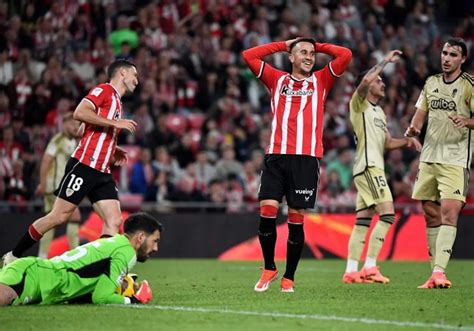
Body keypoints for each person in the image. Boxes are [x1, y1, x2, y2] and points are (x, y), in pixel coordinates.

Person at [2, 59, 139, 265]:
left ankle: (101, 271)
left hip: (102, 170)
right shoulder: (104, 90)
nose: (137, 80)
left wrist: (112, 148)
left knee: (114, 220)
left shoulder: (118, 102)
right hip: (84, 166)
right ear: (122, 73)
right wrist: (114, 123)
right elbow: (80, 113)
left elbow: (85, 129)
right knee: (58, 216)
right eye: (134, 75)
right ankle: (13, 255)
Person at [242, 37, 352, 292]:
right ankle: (270, 267)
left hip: (306, 159)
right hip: (276, 156)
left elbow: (345, 54)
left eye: (312, 53)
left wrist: (319, 45)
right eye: (302, 52)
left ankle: (289, 276)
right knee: (267, 211)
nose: (309, 56)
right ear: (291, 57)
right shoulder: (276, 79)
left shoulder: (321, 81)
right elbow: (249, 55)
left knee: (296, 218)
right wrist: (284, 44)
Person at [342, 50, 422, 284]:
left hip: (370, 167)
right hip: (369, 168)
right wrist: (385, 61)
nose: (382, 82)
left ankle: (351, 271)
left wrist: (407, 141)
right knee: (387, 214)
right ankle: (369, 266)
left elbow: (387, 143)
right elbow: (366, 79)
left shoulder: (379, 112)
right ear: (366, 86)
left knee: (363, 221)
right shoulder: (358, 105)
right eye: (378, 80)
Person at [405, 38, 473, 289]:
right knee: (430, 214)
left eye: (453, 55)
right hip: (429, 157)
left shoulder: (469, 86)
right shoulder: (431, 82)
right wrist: (413, 129)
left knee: (449, 212)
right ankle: (434, 272)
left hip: (455, 159)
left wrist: (468, 122)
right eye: (444, 53)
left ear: (462, 59)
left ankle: (439, 271)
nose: (446, 58)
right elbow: (420, 114)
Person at [0, 212, 161, 305]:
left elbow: (89, 290)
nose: (156, 248)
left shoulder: (116, 243)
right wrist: (132, 300)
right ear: (140, 237)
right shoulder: (127, 252)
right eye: (155, 241)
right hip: (34, 277)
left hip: (38, 275)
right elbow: (102, 297)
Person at [35, 113, 82, 259]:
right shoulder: (57, 140)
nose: (75, 127)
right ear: (64, 124)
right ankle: (77, 255)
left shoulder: (72, 141)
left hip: (59, 187)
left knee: (50, 221)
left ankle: (42, 256)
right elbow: (45, 161)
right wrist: (42, 184)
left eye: (77, 124)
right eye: (72, 124)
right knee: (74, 215)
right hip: (55, 186)